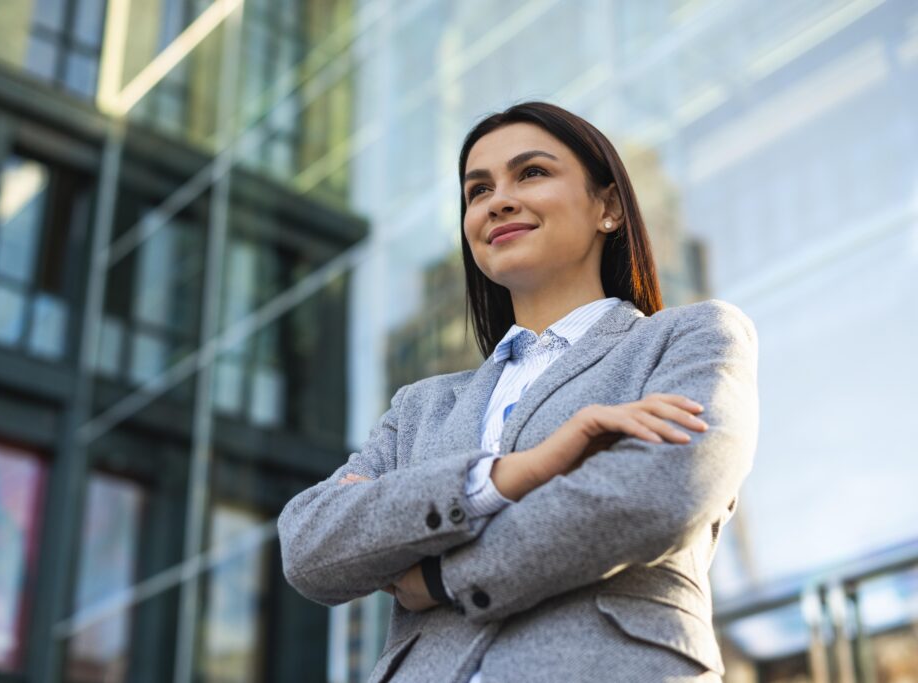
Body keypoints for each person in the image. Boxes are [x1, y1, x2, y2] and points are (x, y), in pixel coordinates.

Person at [278, 101, 758, 682]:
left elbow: (658, 493)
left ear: (607, 207)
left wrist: (433, 576)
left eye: (532, 173)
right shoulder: (420, 407)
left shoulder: (690, 337)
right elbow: (310, 545)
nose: (498, 200)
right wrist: (508, 477)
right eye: (478, 191)